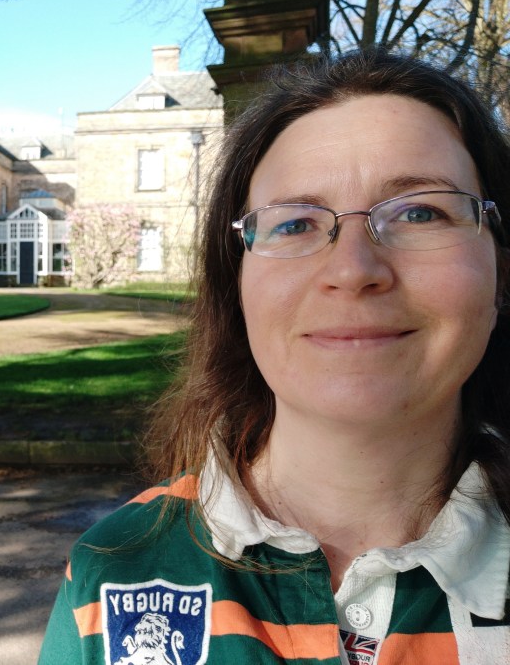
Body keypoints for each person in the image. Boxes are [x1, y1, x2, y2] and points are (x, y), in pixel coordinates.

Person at [38, 49, 510, 665]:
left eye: (421, 211)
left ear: (501, 273)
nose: (352, 269)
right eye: (294, 224)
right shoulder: (113, 569)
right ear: (237, 285)